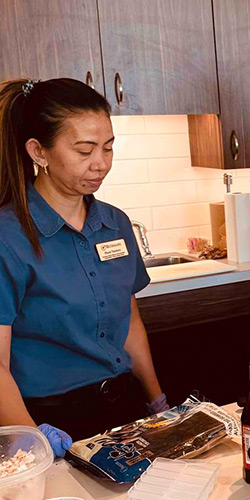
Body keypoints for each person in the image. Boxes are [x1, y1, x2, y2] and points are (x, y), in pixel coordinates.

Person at [0, 78, 169, 456]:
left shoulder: (115, 223)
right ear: (38, 152)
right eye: (84, 150)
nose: (101, 164)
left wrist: (157, 403)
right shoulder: (8, 238)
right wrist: (33, 444)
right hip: (48, 421)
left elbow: (130, 325)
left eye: (108, 148)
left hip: (123, 411)